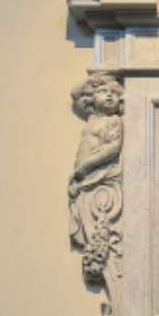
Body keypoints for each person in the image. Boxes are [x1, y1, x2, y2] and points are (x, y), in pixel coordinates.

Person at [69, 73, 124, 282]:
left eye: (114, 93)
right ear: (92, 98)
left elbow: (113, 148)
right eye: (103, 92)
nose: (109, 96)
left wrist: (86, 166)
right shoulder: (92, 116)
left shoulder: (113, 120)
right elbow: (75, 93)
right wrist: (102, 75)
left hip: (96, 174)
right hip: (84, 178)